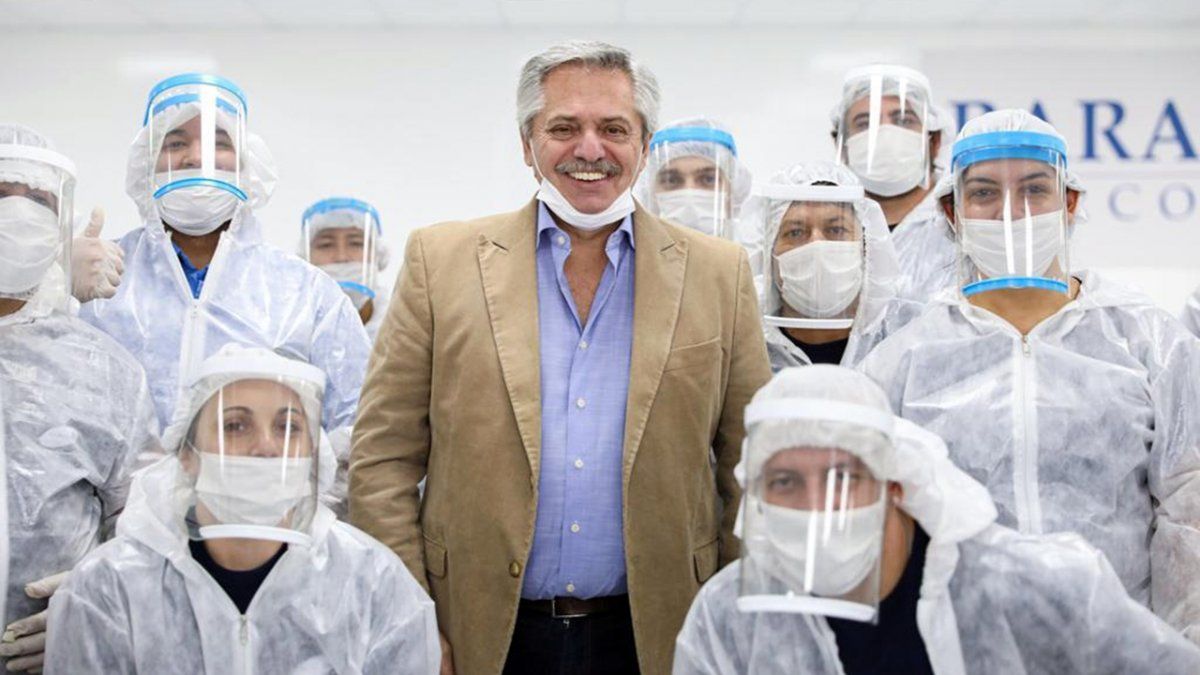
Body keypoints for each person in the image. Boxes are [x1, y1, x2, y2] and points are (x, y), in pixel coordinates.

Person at [349, 41, 772, 675]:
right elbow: (381, 460)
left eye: (613, 129)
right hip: (476, 634)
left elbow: (753, 466)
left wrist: (736, 623)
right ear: (527, 143)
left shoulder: (718, 273)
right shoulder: (442, 263)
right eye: (564, 128)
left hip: (661, 634)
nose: (590, 149)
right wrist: (410, 618)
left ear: (644, 142)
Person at [859, 109, 1200, 641]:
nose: (1010, 213)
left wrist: (1179, 649)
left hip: (1117, 645)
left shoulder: (1146, 343)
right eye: (985, 193)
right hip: (956, 648)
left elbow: (1189, 508)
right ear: (953, 212)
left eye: (1035, 190)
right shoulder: (905, 356)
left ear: (1069, 203)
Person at [674, 365, 1200, 674]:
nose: (817, 505)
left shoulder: (1036, 588)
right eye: (785, 483)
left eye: (843, 479)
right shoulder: (727, 618)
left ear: (895, 485)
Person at [44, 345, 440, 674]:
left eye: (288, 428)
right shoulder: (108, 589)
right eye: (235, 425)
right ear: (186, 455)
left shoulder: (372, 584)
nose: (267, 446)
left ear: (311, 454)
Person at [75, 74, 370, 498]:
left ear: (249, 166)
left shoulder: (306, 293)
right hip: (121, 537)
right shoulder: (101, 281)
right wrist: (51, 287)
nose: (197, 157)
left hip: (270, 535)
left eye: (220, 144)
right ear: (146, 167)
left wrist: (298, 512)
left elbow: (360, 429)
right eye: (176, 144)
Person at [0, 124, 160, 673]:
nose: (19, 216)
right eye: (1, 194)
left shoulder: (105, 371)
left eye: (39, 201)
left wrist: (92, 602)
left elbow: (144, 528)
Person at [753, 161, 921, 370]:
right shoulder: (746, 342)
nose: (816, 244)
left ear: (866, 247)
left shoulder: (910, 334)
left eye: (836, 230)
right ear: (769, 252)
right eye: (795, 232)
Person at [830, 64, 957, 302]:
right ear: (841, 143)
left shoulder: (962, 223)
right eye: (864, 123)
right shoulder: (822, 227)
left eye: (903, 120)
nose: (884, 134)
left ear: (934, 140)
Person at [634, 117, 752, 241]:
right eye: (672, 180)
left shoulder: (753, 257)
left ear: (732, 191)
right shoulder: (630, 256)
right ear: (650, 193)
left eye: (708, 179)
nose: (689, 193)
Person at [299, 197, 392, 342]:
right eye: (326, 244)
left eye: (356, 243)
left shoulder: (407, 329)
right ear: (304, 258)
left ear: (379, 256)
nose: (341, 257)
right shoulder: (284, 333)